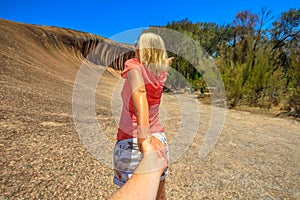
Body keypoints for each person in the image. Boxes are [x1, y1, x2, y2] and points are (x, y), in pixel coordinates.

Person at [113, 32, 173, 200]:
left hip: (132, 139)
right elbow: (160, 65)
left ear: (141, 49)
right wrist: (166, 61)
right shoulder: (162, 73)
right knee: (159, 196)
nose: (135, 50)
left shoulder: (133, 66)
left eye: (136, 46)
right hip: (159, 139)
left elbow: (139, 91)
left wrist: (143, 134)